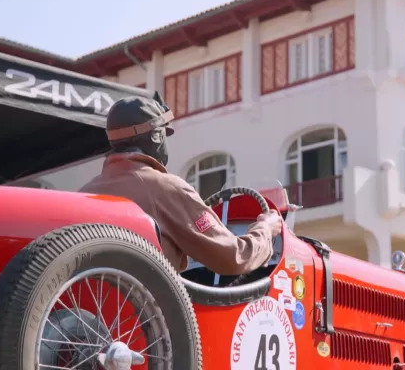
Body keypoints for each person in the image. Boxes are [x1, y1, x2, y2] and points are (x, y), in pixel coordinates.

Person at [80, 96, 283, 276]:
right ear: (156, 136)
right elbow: (234, 257)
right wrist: (266, 228)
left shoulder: (84, 194)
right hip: (151, 315)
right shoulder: (165, 188)